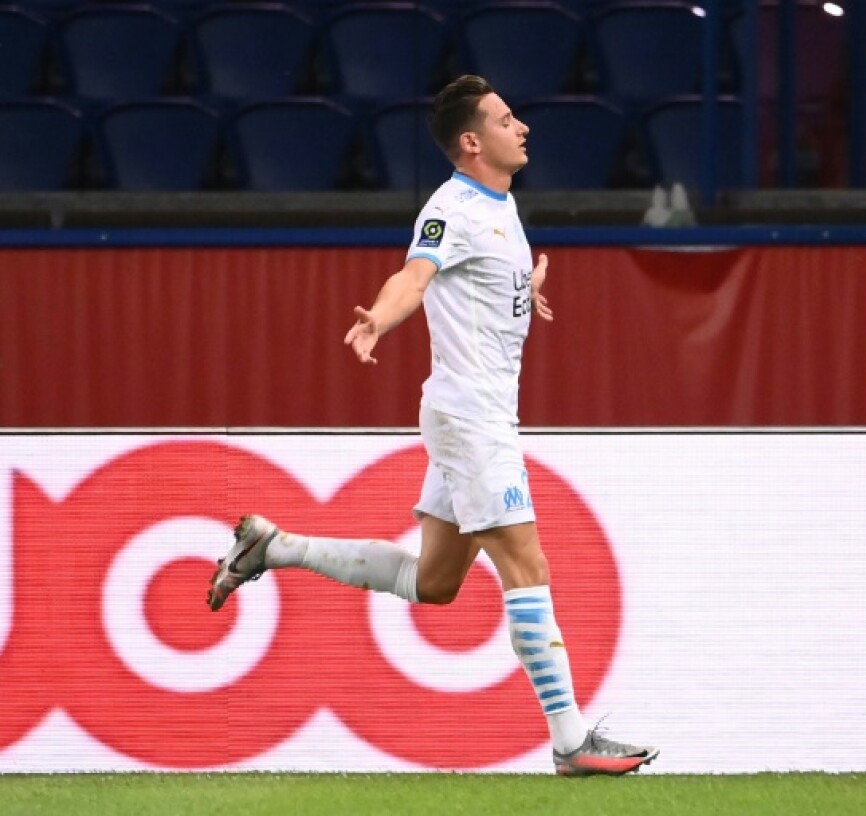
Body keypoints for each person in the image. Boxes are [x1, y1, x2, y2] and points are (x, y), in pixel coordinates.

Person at [207, 75, 658, 777]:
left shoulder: (499, 204)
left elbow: (470, 285)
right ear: (472, 141)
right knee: (527, 567)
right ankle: (570, 741)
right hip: (472, 417)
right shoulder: (450, 206)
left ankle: (274, 547)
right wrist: (378, 320)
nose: (525, 128)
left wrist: (521, 293)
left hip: (473, 414)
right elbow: (415, 277)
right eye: (508, 120)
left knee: (437, 583)